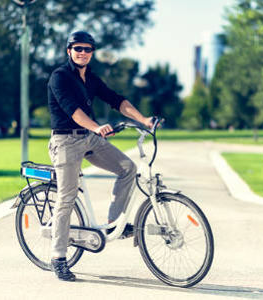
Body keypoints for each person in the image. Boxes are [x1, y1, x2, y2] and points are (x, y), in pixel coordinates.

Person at [47, 31, 153, 282]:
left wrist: (144, 120)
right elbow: (72, 111)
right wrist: (96, 127)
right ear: (69, 51)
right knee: (66, 196)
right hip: (65, 140)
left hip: (88, 138)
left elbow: (117, 101)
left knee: (127, 167)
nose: (83, 52)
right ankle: (58, 257)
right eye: (78, 48)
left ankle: (115, 222)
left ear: (92, 53)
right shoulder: (59, 77)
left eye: (87, 49)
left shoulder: (91, 78)